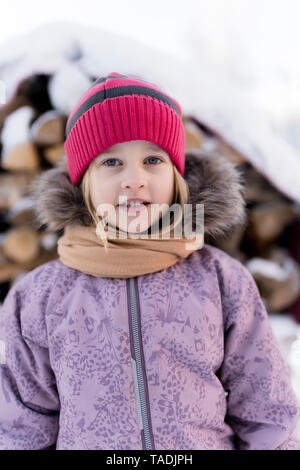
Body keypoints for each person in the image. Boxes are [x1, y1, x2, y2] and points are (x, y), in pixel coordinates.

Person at [0, 72, 299, 450]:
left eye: (153, 159)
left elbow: (265, 412)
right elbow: (22, 427)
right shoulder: (39, 296)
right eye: (111, 162)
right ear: (82, 181)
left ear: (176, 178)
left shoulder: (221, 280)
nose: (135, 179)